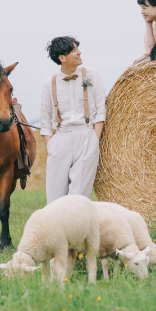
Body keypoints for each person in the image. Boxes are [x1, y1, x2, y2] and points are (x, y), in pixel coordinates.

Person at [40, 36, 106, 203]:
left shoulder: (92, 75)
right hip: (60, 139)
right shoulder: (50, 83)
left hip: (86, 136)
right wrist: (51, 145)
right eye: (74, 50)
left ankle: (76, 229)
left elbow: (100, 112)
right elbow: (45, 121)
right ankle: (55, 229)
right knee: (54, 199)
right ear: (62, 58)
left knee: (78, 197)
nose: (79, 52)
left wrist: (94, 140)